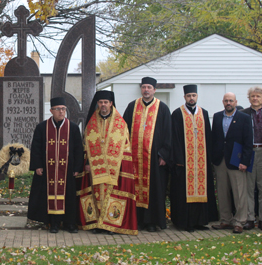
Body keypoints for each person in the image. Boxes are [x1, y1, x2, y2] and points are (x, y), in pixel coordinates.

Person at [78, 91, 138, 235]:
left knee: (111, 195)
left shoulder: (120, 123)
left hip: (114, 168)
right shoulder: (91, 123)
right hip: (95, 167)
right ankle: (97, 223)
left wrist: (121, 166)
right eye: (100, 102)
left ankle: (110, 224)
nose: (103, 105)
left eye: (106, 102)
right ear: (97, 104)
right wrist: (86, 162)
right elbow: (85, 145)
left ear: (111, 103)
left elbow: (126, 147)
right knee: (97, 194)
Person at [27, 97, 84, 233]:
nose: (61, 112)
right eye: (58, 109)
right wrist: (38, 166)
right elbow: (36, 148)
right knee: (49, 195)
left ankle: (70, 223)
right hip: (48, 170)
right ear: (51, 111)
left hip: (67, 170)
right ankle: (54, 223)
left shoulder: (73, 127)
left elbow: (78, 149)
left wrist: (77, 168)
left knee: (69, 196)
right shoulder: (42, 127)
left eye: (63, 109)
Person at [123, 77, 172, 232]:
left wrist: (164, 154)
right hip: (134, 158)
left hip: (154, 160)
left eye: (149, 87)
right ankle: (136, 220)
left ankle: (152, 221)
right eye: (143, 87)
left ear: (154, 90)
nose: (146, 90)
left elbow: (168, 133)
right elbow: (124, 129)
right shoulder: (132, 107)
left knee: (154, 190)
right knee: (133, 188)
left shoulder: (162, 108)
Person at [170, 85, 218, 232]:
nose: (191, 98)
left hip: (201, 161)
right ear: (184, 97)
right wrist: (178, 159)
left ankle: (200, 222)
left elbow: (209, 137)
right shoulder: (178, 114)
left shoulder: (204, 113)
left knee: (202, 190)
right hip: (184, 162)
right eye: (189, 95)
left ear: (197, 97)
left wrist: (209, 158)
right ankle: (185, 223)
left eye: (194, 95)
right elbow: (175, 138)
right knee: (183, 192)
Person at [211, 92, 253, 233]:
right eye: (226, 100)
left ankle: (240, 222)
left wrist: (245, 161)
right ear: (223, 102)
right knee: (222, 192)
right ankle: (225, 220)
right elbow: (215, 139)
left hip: (237, 161)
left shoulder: (244, 118)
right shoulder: (217, 117)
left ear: (236, 102)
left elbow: (248, 141)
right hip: (220, 160)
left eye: (231, 100)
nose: (228, 103)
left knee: (239, 193)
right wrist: (213, 158)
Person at [241, 86, 262, 231]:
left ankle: (261, 219)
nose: (255, 98)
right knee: (248, 188)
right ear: (249, 98)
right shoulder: (243, 114)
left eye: (258, 96)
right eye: (253, 96)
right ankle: (249, 218)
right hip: (249, 153)